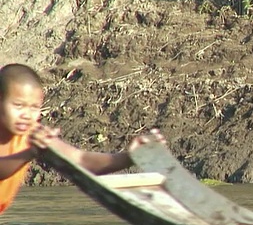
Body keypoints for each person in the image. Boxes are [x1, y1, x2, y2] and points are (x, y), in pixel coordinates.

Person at [0, 63, 166, 215]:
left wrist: (129, 157)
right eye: (18, 105)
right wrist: (29, 153)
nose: (26, 115)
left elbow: (80, 160)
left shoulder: (32, 135)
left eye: (34, 107)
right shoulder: (32, 146)